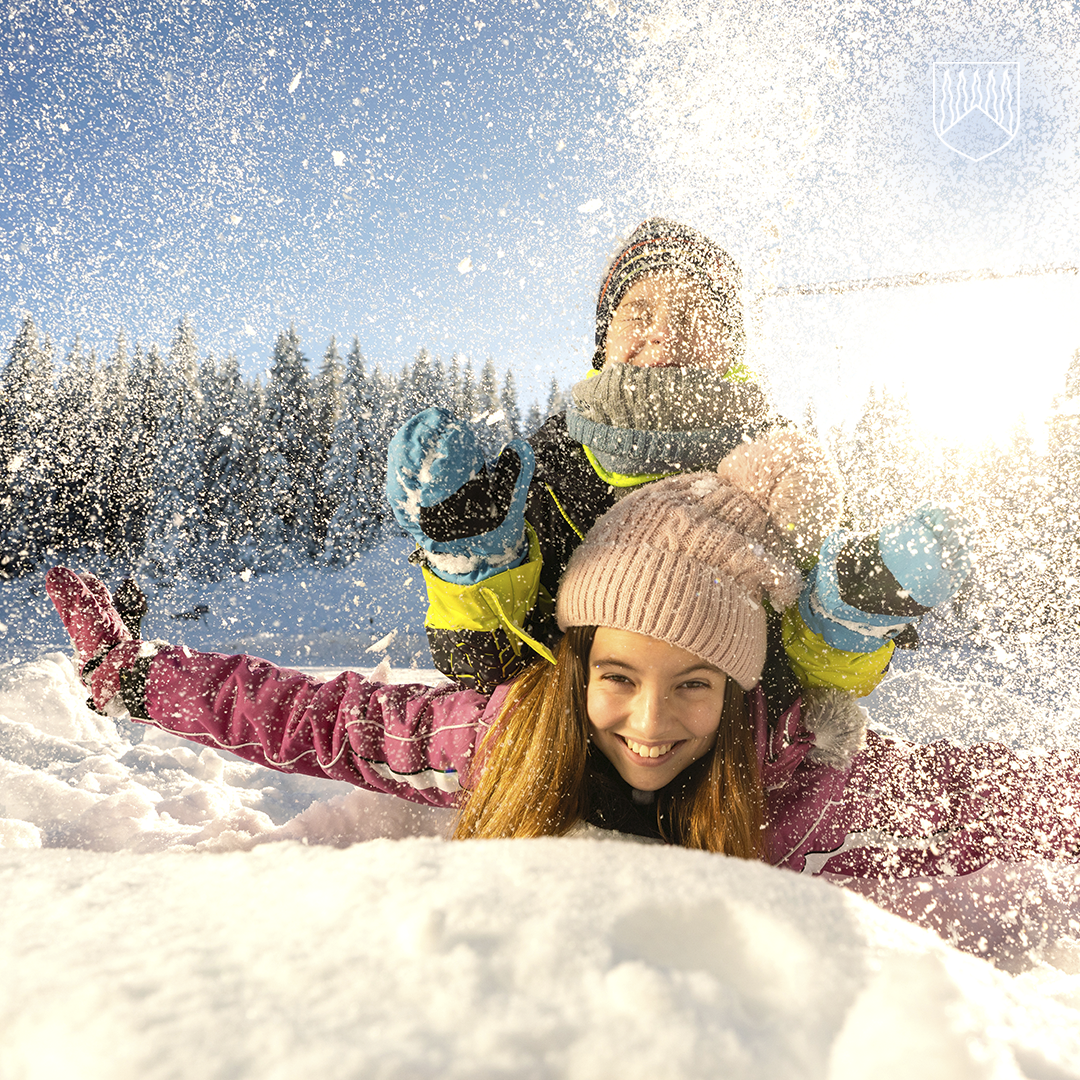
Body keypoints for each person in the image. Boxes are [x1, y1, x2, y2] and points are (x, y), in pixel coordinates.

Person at [45, 430, 1078, 877]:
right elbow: (324, 720)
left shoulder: (795, 773)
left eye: (695, 686)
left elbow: (965, 800)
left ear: (742, 688)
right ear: (578, 665)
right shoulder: (504, 733)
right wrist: (135, 678)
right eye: (619, 676)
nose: (648, 720)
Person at [385, 218, 950, 714]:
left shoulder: (781, 471)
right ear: (604, 338)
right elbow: (482, 664)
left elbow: (810, 694)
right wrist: (471, 558)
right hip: (561, 751)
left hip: (732, 772)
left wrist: (846, 619)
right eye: (640, 311)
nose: (663, 332)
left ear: (730, 348)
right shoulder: (545, 468)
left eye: (693, 314)